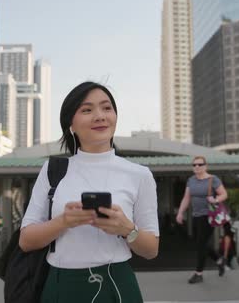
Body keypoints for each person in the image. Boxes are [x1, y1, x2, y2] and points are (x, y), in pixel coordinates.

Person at [19, 81, 159, 303]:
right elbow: (26, 241)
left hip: (117, 284)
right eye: (87, 110)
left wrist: (127, 229)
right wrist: (64, 221)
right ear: (70, 125)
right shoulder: (53, 170)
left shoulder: (140, 175)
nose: (100, 116)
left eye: (106, 108)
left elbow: (151, 249)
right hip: (61, 284)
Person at [176, 155, 228, 284]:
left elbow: (224, 194)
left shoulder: (213, 179)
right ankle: (219, 260)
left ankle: (198, 273)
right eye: (194, 165)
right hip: (196, 216)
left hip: (209, 216)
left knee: (201, 244)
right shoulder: (191, 180)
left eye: (200, 164)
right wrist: (180, 213)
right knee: (202, 243)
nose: (197, 167)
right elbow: (186, 198)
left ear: (205, 166)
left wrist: (215, 199)